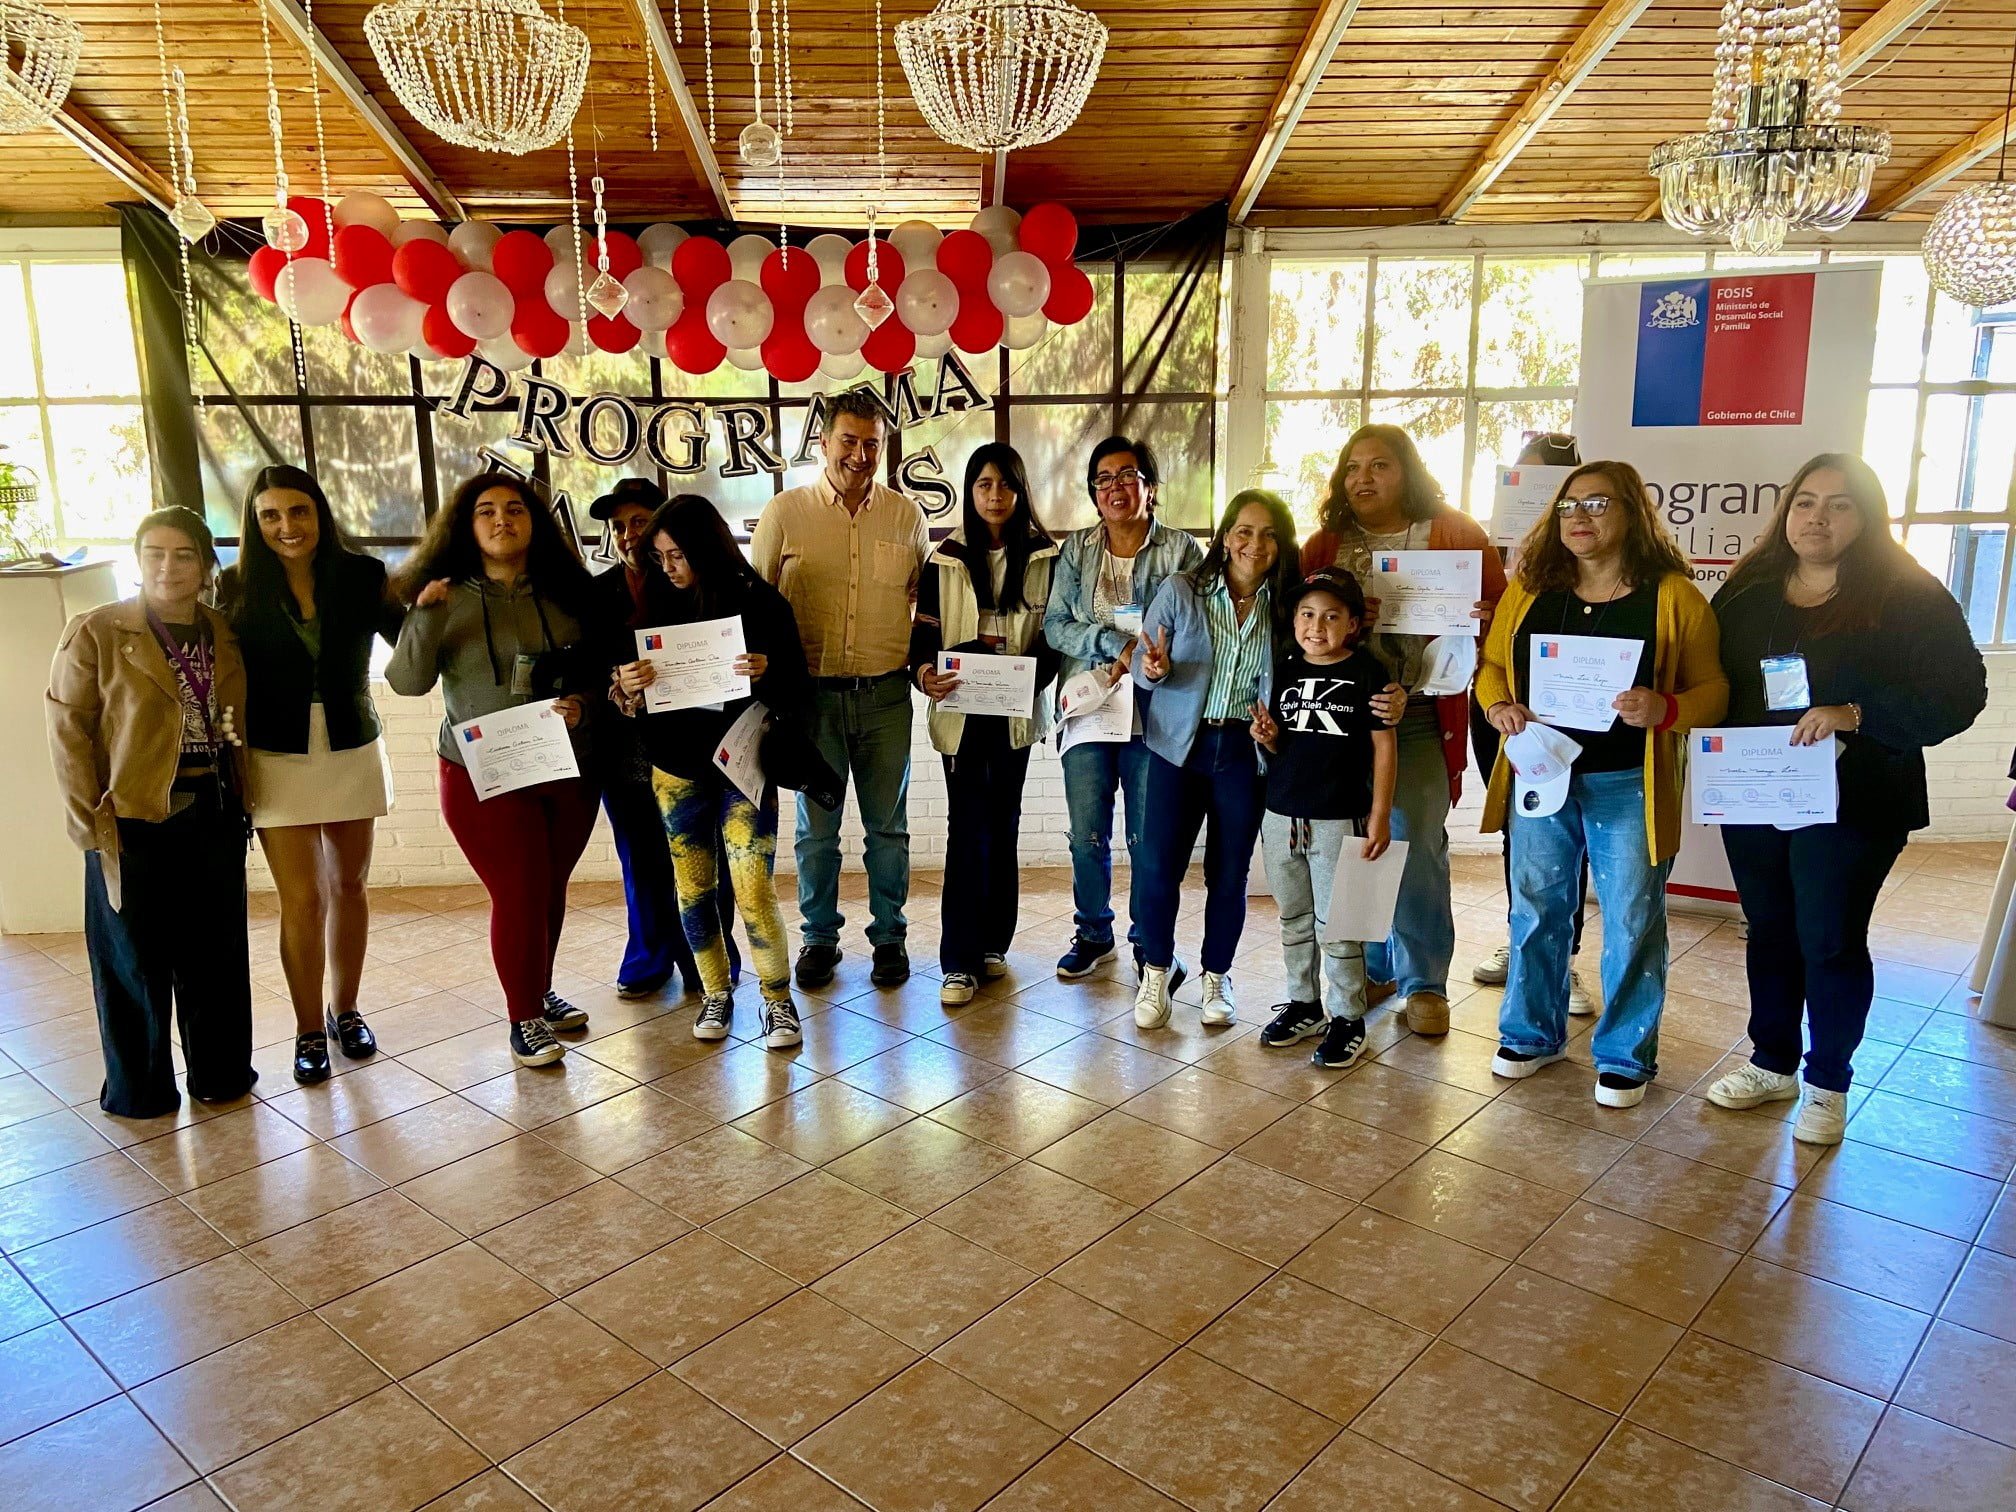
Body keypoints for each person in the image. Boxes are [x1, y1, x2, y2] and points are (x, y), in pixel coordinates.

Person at [1704, 454, 1984, 1143]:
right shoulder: (1748, 590)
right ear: (1786, 512)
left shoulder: (1907, 594)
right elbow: (1708, 674)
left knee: (1828, 938)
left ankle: (1828, 1079)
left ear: (1866, 516)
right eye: (1805, 502)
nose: (1817, 518)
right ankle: (1772, 1063)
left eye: (1839, 505)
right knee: (1768, 929)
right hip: (1758, 788)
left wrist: (1857, 712)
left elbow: (1960, 694)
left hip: (1855, 797)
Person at [1477, 462, 1728, 1108]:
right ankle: (1531, 1034)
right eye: (1567, 506)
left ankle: (1624, 1054)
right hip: (1543, 775)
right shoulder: (1532, 588)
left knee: (1632, 917)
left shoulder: (1672, 596)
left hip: (1628, 781)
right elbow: (1493, 666)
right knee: (1535, 908)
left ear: (1634, 514)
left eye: (1596, 504)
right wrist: (1498, 704)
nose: (1579, 518)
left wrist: (1665, 710)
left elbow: (1715, 692)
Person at [45, 507, 257, 1118]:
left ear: (204, 564)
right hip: (131, 818)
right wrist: (89, 821)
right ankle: (140, 1090)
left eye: (184, 554)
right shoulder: (98, 631)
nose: (169, 566)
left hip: (213, 812)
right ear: (138, 561)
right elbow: (69, 732)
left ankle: (221, 1073)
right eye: (154, 553)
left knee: (216, 956)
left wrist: (242, 793)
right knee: (132, 963)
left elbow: (230, 721)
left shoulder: (222, 633)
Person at [387, 471, 601, 1069]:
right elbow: (407, 683)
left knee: (548, 888)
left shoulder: (568, 593)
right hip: (481, 772)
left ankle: (536, 989)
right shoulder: (444, 595)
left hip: (565, 765)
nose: (502, 520)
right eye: (486, 511)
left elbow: (597, 672)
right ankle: (523, 1018)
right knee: (518, 890)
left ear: (535, 521)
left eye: (515, 509)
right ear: (467, 525)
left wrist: (583, 704)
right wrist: (426, 614)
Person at [1299, 424, 1504, 1038]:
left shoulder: (1457, 534)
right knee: (1359, 842)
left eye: (1380, 465)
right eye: (1352, 466)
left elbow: (1504, 623)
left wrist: (1487, 617)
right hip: (1339, 720)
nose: (1363, 477)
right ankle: (1373, 966)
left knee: (1415, 843)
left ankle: (1425, 983)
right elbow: (1301, 626)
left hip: (1418, 715)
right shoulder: (1323, 545)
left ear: (1407, 471)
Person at [218, 466, 401, 1085]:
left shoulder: (363, 576)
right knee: (302, 898)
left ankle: (345, 1010)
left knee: (349, 886)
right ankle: (305, 1029)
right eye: (270, 515)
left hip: (351, 742)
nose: (287, 527)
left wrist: (430, 598)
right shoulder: (234, 586)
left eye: (298, 511)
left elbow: (412, 643)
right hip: (275, 751)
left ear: (319, 513)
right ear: (255, 523)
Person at [613, 496, 812, 1048]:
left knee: (753, 889)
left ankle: (778, 1002)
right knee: (694, 891)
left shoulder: (762, 604)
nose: (670, 567)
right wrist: (626, 687)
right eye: (660, 557)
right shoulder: (651, 602)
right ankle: (715, 994)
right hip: (674, 770)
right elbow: (623, 695)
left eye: (678, 554)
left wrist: (769, 671)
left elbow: (799, 690)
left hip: (743, 770)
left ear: (706, 547)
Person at [751, 388, 930, 990]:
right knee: (817, 831)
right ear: (824, 443)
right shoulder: (785, 513)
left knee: (888, 828)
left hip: (885, 697)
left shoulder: (906, 517)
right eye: (848, 441)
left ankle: (889, 940)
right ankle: (819, 940)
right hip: (813, 700)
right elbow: (755, 606)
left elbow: (922, 603)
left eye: (872, 444)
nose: (860, 455)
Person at [1130, 489, 1301, 1030]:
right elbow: (1141, 662)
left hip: (1243, 752)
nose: (1256, 543)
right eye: (1245, 531)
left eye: (1269, 533)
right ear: (1226, 537)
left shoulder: (1285, 605)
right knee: (1158, 867)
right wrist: (1153, 670)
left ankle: (1216, 976)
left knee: (1229, 874)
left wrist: (1275, 728)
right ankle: (1156, 971)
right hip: (1179, 748)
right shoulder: (1183, 591)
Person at [1042, 436, 1202, 983]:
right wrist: (1118, 645)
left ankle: (1147, 940)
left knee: (1146, 836)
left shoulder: (1182, 552)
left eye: (1126, 475)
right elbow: (1055, 625)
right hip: (1090, 707)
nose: (1114, 487)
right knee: (1088, 832)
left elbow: (1203, 628)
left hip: (1156, 711)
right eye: (1103, 479)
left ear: (1150, 488)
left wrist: (1154, 659)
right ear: (1093, 492)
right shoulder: (1077, 551)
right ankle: (1093, 932)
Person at [911, 444, 1062, 1007]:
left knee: (1004, 824)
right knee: (967, 828)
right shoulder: (943, 559)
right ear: (970, 493)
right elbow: (922, 641)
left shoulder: (1049, 557)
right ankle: (958, 960)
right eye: (982, 485)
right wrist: (925, 673)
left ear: (1020, 491)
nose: (994, 496)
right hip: (962, 715)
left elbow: (1055, 641)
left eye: (1004, 484)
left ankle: (994, 942)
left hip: (1016, 718)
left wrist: (1028, 677)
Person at [585, 476, 731, 999]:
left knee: (703, 855)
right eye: (619, 525)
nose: (627, 534)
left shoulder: (691, 586)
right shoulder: (596, 592)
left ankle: (709, 957)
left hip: (694, 747)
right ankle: (648, 956)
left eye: (639, 522)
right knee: (641, 858)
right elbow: (583, 668)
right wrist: (614, 681)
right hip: (625, 751)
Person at [1250, 568, 1397, 1069]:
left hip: (1339, 819)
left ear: (1353, 624)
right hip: (1280, 814)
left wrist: (1379, 815)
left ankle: (1348, 1017)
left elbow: (1383, 746)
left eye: (1332, 616)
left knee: (1339, 926)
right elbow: (1281, 742)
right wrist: (1268, 736)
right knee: (1293, 917)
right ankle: (1304, 1004)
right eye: (1307, 614)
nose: (1317, 626)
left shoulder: (1369, 671)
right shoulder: (1286, 666)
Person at [1469, 434, 1593, 1014]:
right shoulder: (1490, 550)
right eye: (1518, 478)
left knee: (1581, 835)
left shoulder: (1596, 553)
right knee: (1524, 828)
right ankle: (1524, 942)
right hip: (1509, 713)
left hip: (1587, 717)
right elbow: (1487, 645)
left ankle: (1564, 957)